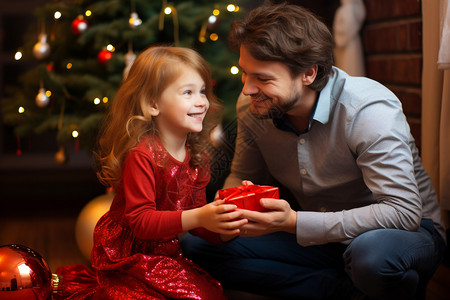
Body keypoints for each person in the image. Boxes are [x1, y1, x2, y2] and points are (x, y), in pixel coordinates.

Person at [180, 3, 447, 299]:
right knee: (196, 247)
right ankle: (344, 292)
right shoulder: (254, 108)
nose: (247, 90)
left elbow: (403, 211)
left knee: (372, 259)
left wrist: (294, 222)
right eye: (245, 73)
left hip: (399, 234)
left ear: (308, 73)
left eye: (263, 78)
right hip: (319, 236)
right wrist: (227, 212)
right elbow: (243, 175)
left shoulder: (367, 109)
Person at [55, 46, 247, 300]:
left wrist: (224, 225)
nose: (201, 101)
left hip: (166, 252)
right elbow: (142, 222)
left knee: (210, 293)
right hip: (127, 254)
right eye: (188, 92)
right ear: (153, 104)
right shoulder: (142, 155)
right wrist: (200, 216)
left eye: (202, 91)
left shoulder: (197, 156)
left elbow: (198, 220)